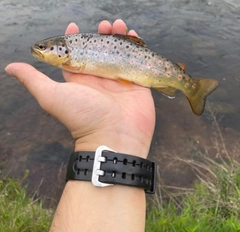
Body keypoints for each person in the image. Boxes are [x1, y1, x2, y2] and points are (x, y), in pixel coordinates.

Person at [5, 19, 156, 232]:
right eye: (42, 48)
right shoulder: (68, 57)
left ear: (61, 51)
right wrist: (112, 137)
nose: (38, 51)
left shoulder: (69, 57)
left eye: (43, 49)